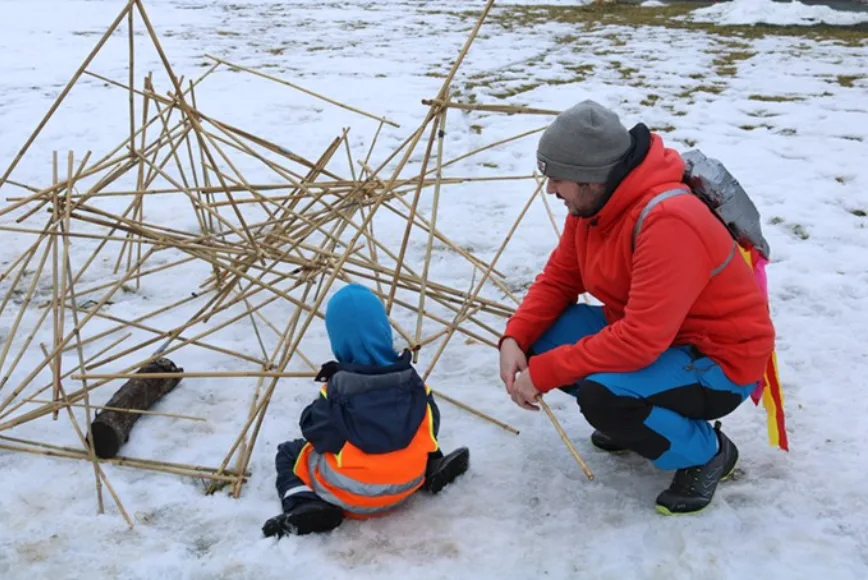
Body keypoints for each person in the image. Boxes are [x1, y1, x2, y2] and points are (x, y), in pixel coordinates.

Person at [498, 99, 775, 515]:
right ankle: (641, 421)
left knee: (604, 398)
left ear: (591, 178)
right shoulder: (593, 207)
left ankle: (707, 452)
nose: (551, 189)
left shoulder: (668, 221)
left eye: (556, 178)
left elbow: (640, 341)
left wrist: (545, 372)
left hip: (718, 360)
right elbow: (559, 279)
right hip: (659, 339)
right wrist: (516, 337)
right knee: (544, 338)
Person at [262, 283, 470, 537]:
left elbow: (314, 432)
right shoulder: (415, 384)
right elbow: (433, 425)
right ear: (384, 330)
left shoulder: (337, 394)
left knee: (290, 452)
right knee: (421, 429)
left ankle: (303, 504)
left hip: (352, 496)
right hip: (408, 483)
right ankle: (432, 467)